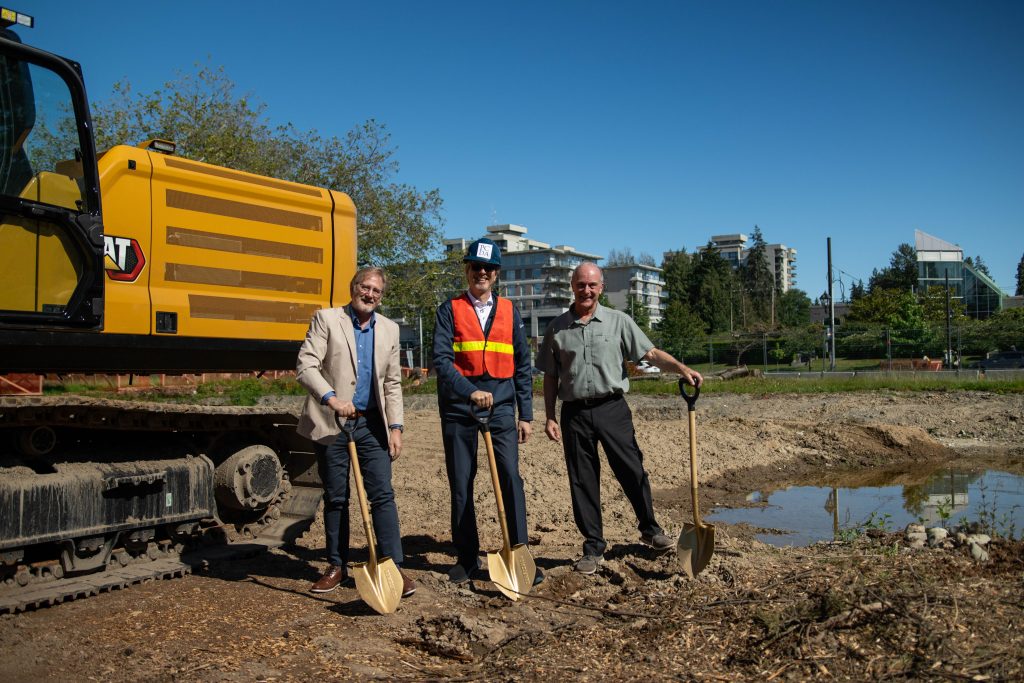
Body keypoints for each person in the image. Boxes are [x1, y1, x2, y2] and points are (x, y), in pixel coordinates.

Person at [539, 262, 703, 575]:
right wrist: (549, 416)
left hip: (612, 408)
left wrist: (681, 368)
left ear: (600, 288)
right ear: (572, 287)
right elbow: (550, 376)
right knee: (582, 480)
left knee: (632, 470)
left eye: (592, 285)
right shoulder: (557, 328)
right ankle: (593, 546)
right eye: (580, 285)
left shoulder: (618, 322)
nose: (586, 290)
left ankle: (651, 530)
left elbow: (650, 354)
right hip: (574, 413)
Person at [296, 266, 415, 598]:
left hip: (372, 424)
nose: (370, 295)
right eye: (365, 287)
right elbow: (305, 365)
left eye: (376, 291)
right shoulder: (327, 320)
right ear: (353, 288)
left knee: (382, 495)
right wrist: (332, 399)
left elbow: (392, 384)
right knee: (336, 497)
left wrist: (395, 427)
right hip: (333, 422)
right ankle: (336, 566)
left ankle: (392, 567)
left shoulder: (389, 329)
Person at [432, 237, 542, 586]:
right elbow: (442, 361)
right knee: (462, 483)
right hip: (460, 408)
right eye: (476, 267)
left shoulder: (510, 311)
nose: (482, 273)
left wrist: (526, 414)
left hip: (501, 408)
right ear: (467, 270)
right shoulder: (448, 309)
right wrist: (470, 392)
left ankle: (519, 552)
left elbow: (523, 365)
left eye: (488, 268)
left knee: (510, 478)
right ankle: (467, 559)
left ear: (496, 274)